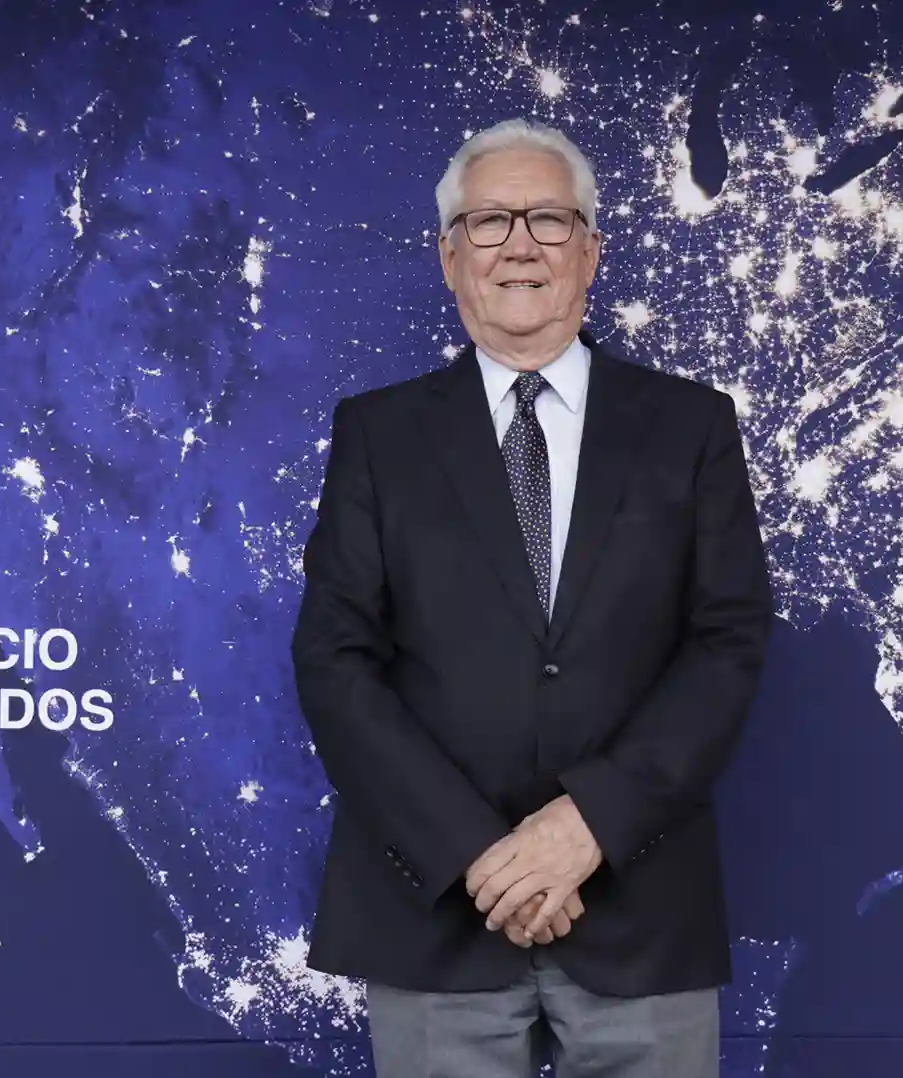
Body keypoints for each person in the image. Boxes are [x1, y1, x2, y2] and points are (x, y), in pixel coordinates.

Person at [290, 117, 774, 1078]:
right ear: (450, 257)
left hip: (642, 908)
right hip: (437, 915)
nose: (519, 245)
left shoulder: (691, 427)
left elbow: (728, 643)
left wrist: (586, 827)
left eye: (549, 220)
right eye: (489, 221)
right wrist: (484, 857)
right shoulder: (378, 436)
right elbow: (335, 660)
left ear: (590, 250)